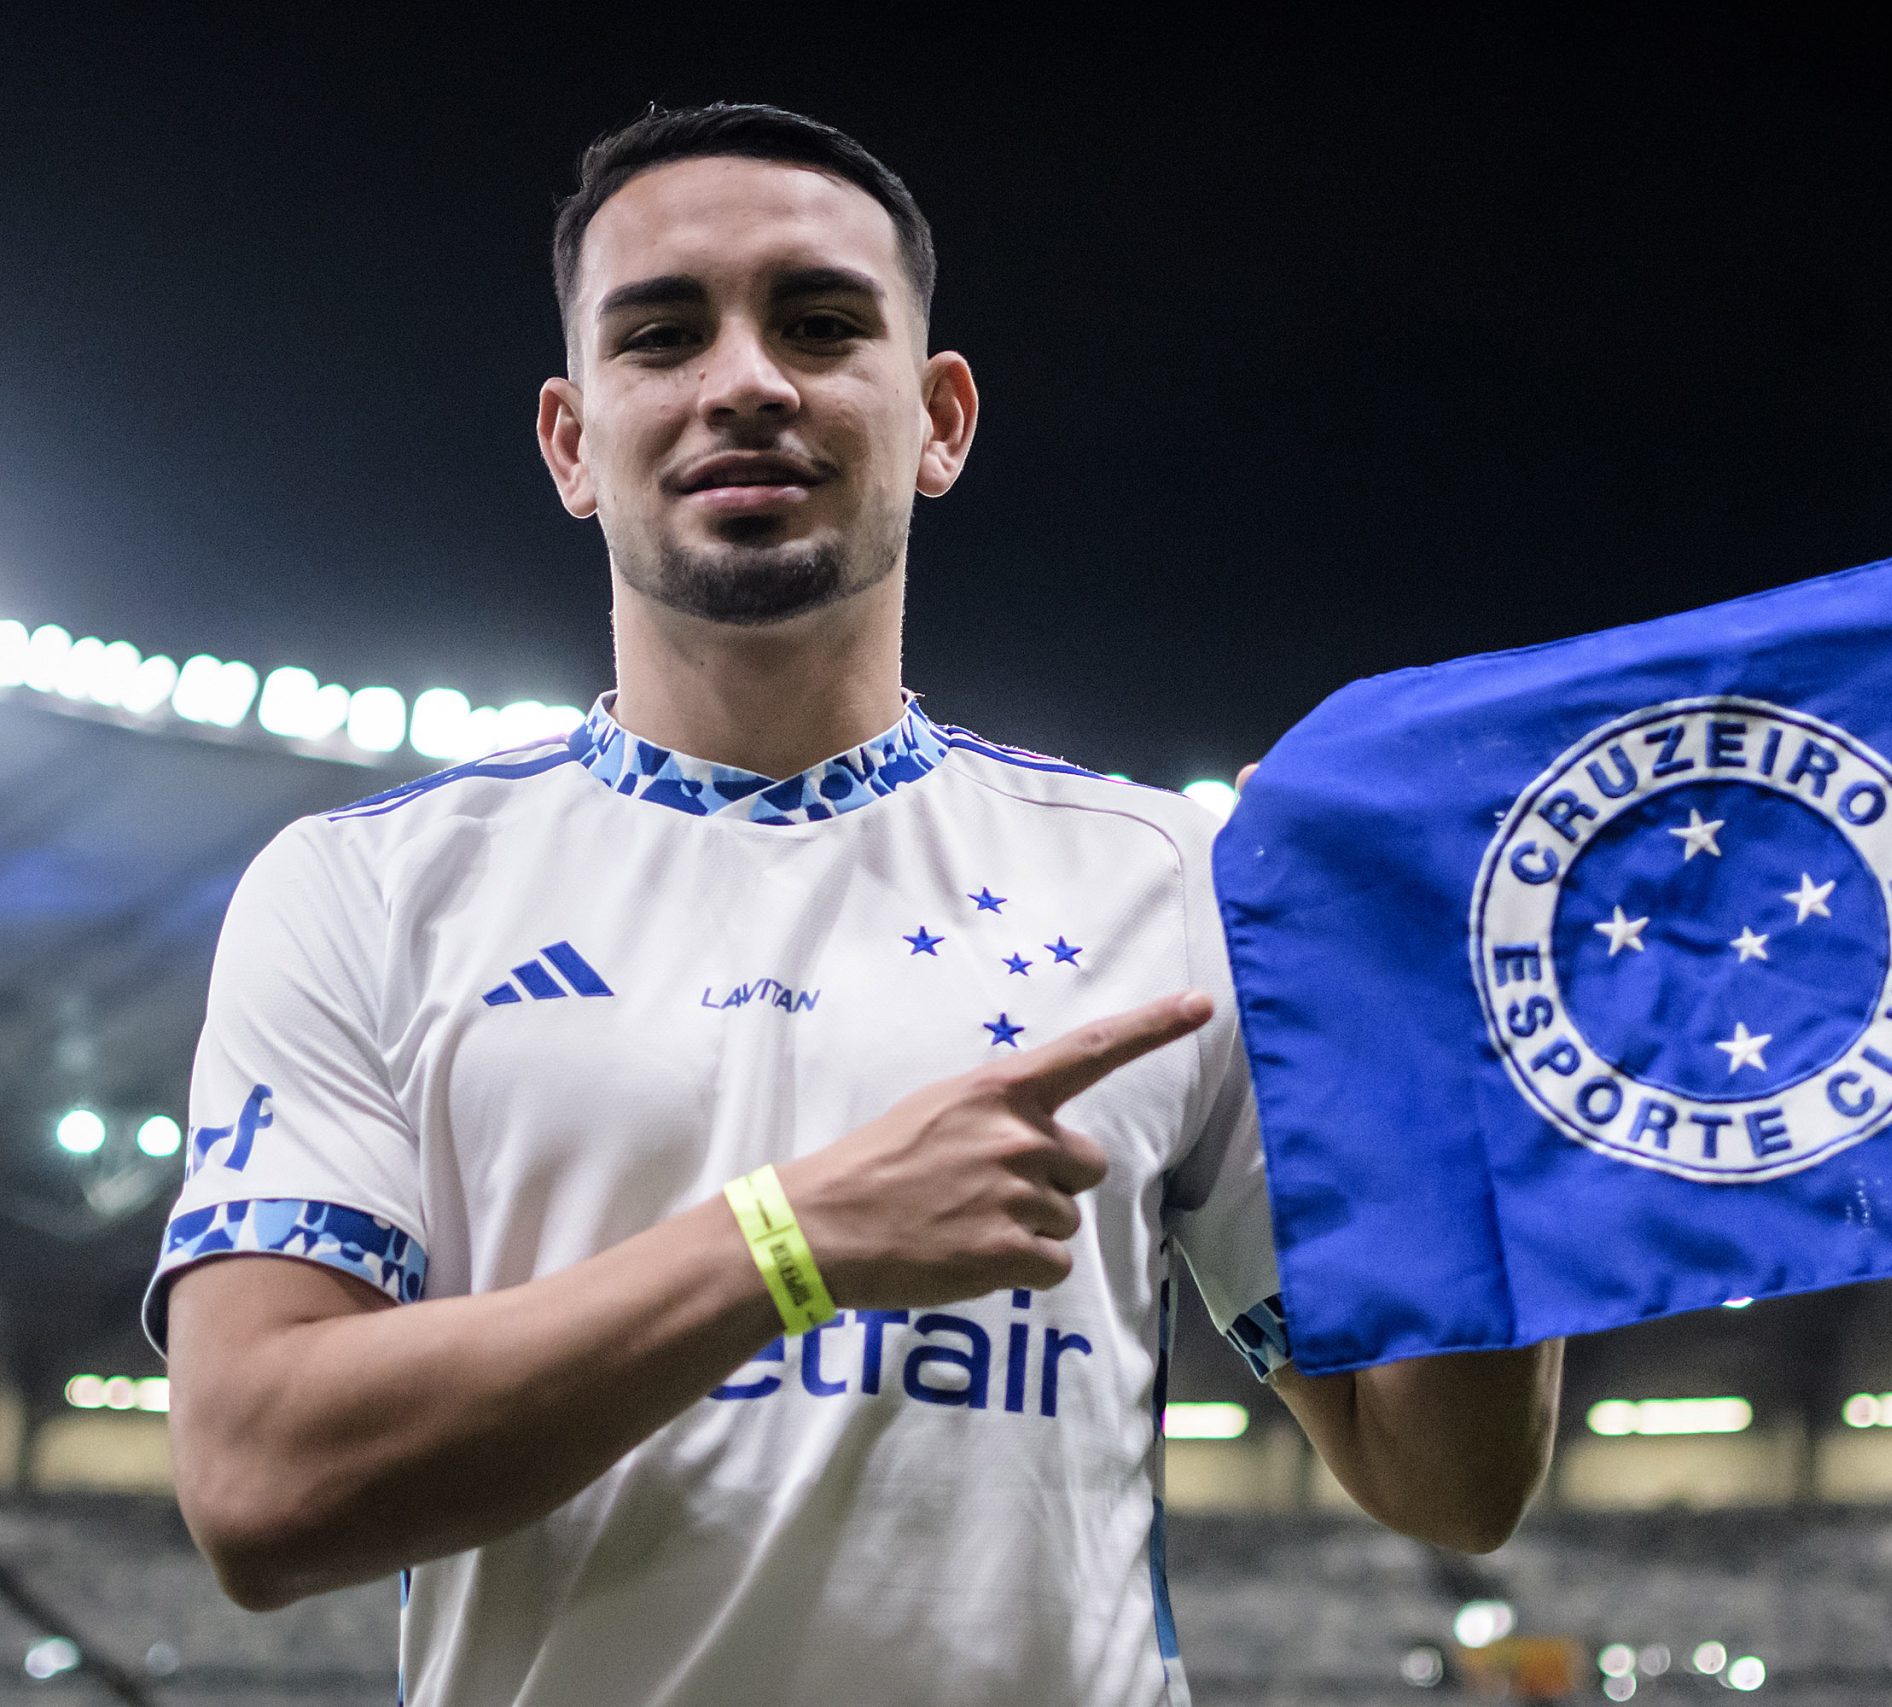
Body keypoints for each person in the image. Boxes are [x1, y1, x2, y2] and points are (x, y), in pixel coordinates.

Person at [149, 103, 1561, 1707]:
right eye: (663, 335)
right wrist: (792, 1245)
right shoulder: (367, 889)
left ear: (941, 418)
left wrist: (1484, 1070)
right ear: (570, 442)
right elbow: (258, 1485)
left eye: (821, 324)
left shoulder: (1164, 879)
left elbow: (1447, 1479)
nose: (745, 381)